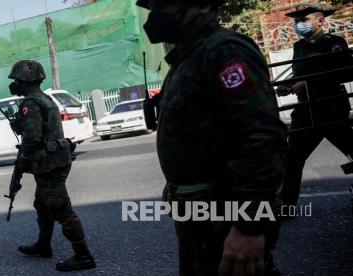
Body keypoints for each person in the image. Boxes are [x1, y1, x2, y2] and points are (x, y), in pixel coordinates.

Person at [136, 0, 288, 275]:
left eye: (163, 5)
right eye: (152, 7)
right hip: (200, 214)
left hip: (226, 214)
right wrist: (178, 186)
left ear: (204, 4)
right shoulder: (189, 58)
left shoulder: (224, 51)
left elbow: (260, 136)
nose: (155, 15)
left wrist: (248, 227)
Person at [7, 60, 96, 272]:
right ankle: (43, 245)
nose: (14, 85)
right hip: (55, 161)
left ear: (24, 81)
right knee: (42, 204)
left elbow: (32, 138)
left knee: (61, 209)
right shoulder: (45, 99)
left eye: (16, 81)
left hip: (48, 165)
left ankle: (83, 255)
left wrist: (22, 162)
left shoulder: (31, 103)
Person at [280, 4, 353, 207]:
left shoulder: (334, 43)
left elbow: (346, 72)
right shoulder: (299, 47)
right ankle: (286, 205)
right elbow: (299, 74)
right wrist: (287, 86)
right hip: (306, 110)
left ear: (321, 21)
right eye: (296, 21)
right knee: (292, 159)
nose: (299, 24)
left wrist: (310, 82)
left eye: (304, 20)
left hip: (331, 108)